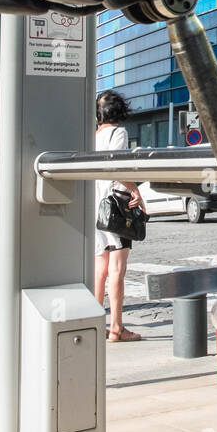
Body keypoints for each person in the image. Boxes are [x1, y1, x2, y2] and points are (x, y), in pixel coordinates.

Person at [94, 90, 145, 342]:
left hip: (95, 207)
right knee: (117, 269)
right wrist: (134, 187)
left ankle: (93, 323)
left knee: (100, 268)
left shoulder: (92, 135)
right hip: (115, 206)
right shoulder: (118, 133)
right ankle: (116, 326)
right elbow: (114, 165)